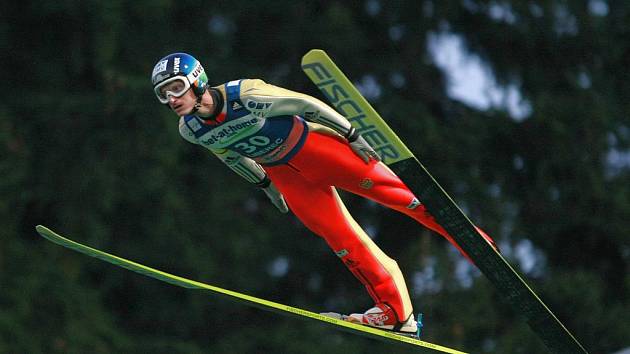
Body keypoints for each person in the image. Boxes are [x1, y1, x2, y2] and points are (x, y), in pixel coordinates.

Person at [151, 52, 497, 334]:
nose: (172, 99)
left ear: (197, 80)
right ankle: (396, 314)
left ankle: (475, 244)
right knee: (342, 240)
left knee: (402, 197)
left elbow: (306, 105)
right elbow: (229, 155)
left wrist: (351, 133)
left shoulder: (245, 95)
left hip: (317, 149)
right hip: (286, 176)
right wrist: (266, 185)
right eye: (163, 94)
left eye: (176, 87)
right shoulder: (191, 129)